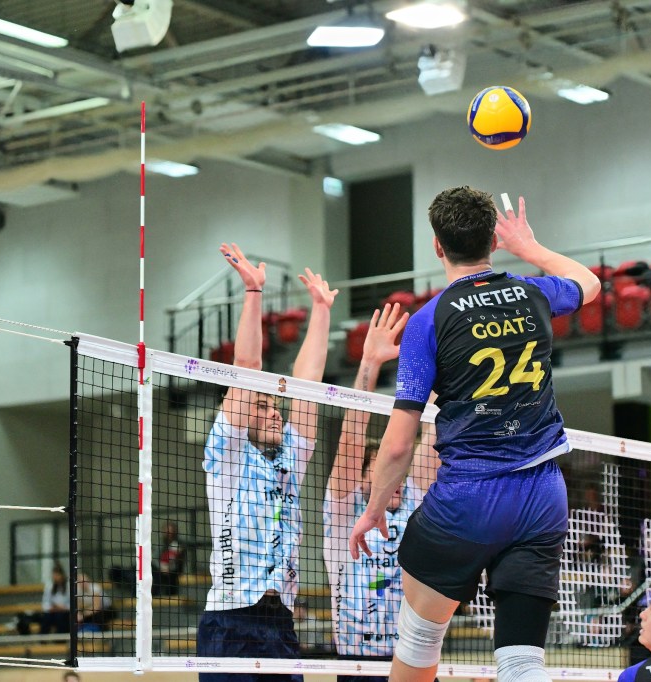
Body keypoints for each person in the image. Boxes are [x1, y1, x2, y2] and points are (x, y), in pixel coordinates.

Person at [349, 187, 600, 682]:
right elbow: (588, 283)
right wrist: (530, 247)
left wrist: (374, 508)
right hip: (542, 495)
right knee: (522, 662)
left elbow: (397, 444)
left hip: (467, 501)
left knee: (420, 640)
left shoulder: (429, 321)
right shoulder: (532, 292)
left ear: (437, 246)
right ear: (493, 241)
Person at [198, 243, 336, 682]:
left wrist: (321, 311)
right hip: (230, 621)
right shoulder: (227, 455)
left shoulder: (291, 457)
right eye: (262, 406)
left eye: (275, 406)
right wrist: (254, 293)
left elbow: (309, 383)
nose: (275, 412)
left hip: (281, 622)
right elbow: (247, 364)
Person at [323, 303, 438, 682]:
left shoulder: (414, 502)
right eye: (381, 472)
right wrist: (369, 363)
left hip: (414, 660)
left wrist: (443, 363)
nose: (395, 478)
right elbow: (352, 438)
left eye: (397, 472)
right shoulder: (345, 513)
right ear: (362, 480)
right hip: (360, 664)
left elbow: (434, 429)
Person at [17, 563, 71, 635]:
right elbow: (45, 603)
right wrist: (51, 608)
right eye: (54, 575)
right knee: (46, 618)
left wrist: (62, 608)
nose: (55, 577)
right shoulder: (50, 586)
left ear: (61, 575)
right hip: (52, 612)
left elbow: (72, 604)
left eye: (57, 575)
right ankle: (42, 639)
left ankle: (60, 640)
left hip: (65, 613)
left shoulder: (68, 586)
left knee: (61, 617)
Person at [153, 520, 187, 597]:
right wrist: (162, 567)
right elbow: (154, 559)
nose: (169, 535)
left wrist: (169, 568)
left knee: (171, 580)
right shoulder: (161, 544)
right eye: (167, 532)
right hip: (160, 570)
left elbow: (179, 563)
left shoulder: (179, 545)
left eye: (171, 532)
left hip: (173, 572)